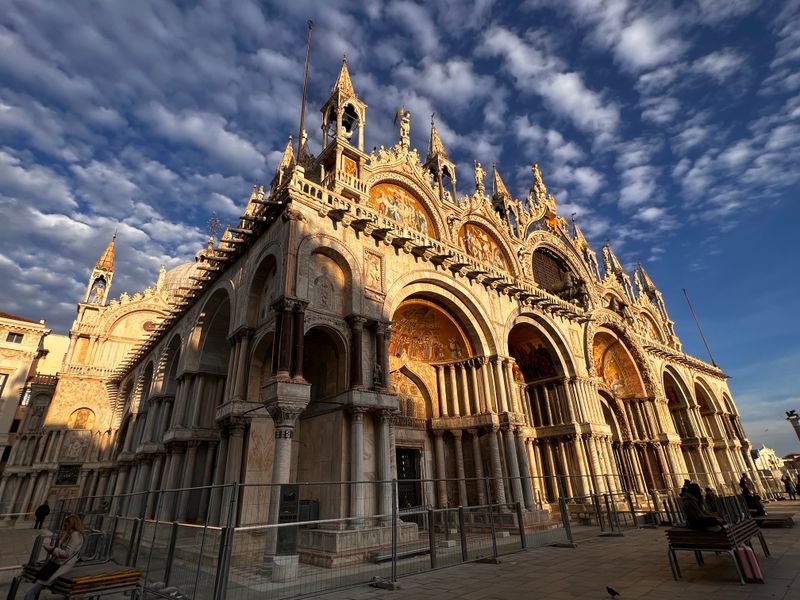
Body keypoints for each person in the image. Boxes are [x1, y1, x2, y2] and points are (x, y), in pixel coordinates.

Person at [25, 514, 85, 600]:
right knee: (34, 590)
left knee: (31, 593)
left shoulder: (75, 535)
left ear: (72, 524)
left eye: (66, 525)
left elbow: (67, 554)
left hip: (61, 566)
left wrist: (53, 549)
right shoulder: (71, 534)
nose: (64, 526)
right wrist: (51, 550)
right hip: (57, 564)